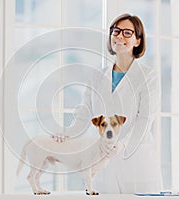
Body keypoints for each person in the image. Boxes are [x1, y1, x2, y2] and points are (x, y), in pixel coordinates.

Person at [54, 13, 163, 194]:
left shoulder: (148, 76)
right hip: (102, 161)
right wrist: (66, 134)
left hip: (136, 160)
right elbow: (85, 113)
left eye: (127, 33)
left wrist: (122, 146)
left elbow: (144, 120)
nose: (120, 36)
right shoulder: (97, 76)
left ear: (138, 41)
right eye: (116, 31)